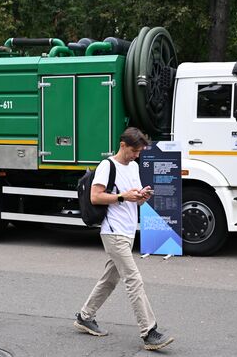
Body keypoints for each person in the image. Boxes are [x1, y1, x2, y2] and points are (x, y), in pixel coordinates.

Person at [74, 127, 174, 351]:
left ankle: (84, 316)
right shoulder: (107, 166)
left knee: (110, 280)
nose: (137, 155)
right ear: (123, 145)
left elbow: (133, 199)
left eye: (139, 152)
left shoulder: (134, 167)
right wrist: (122, 196)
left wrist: (140, 196)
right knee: (134, 280)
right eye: (134, 151)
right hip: (113, 232)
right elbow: (95, 196)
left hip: (128, 231)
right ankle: (149, 332)